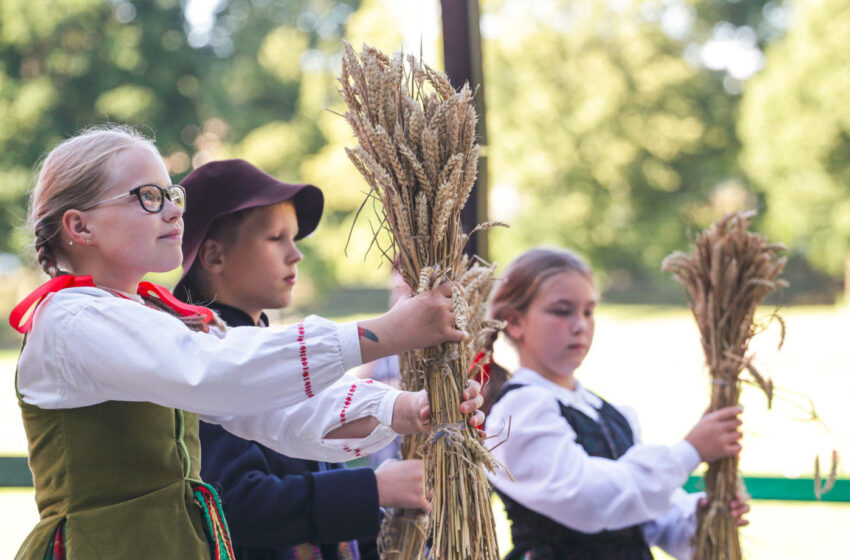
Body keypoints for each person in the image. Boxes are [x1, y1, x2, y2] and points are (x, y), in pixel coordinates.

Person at [11, 125, 482, 560]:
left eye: (172, 194)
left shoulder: (153, 319)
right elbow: (214, 371)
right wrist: (385, 333)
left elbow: (271, 410)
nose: (175, 208)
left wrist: (403, 409)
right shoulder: (70, 320)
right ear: (79, 227)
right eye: (148, 197)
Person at [173, 158, 429, 559]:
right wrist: (373, 490)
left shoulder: (272, 354)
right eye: (276, 238)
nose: (296, 255)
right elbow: (232, 502)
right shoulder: (201, 363)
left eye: (294, 239)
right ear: (214, 256)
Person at [482, 247, 749, 560]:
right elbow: (590, 501)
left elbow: (644, 521)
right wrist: (689, 452)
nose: (580, 325)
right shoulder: (519, 412)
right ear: (515, 323)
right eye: (562, 311)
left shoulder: (607, 412)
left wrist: (701, 517)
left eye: (588, 311)